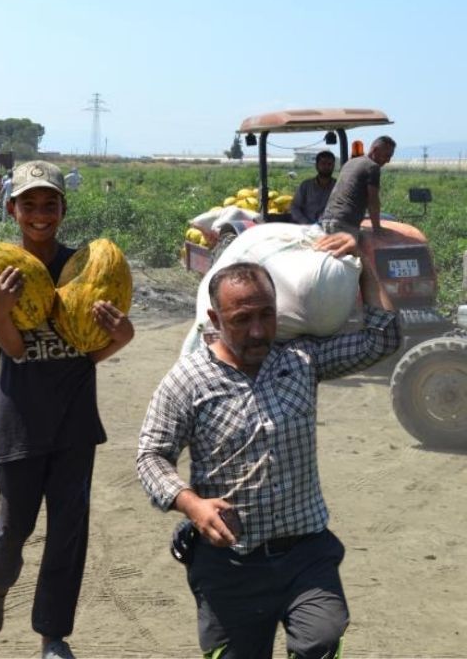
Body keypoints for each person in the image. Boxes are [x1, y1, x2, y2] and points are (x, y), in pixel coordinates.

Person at [136, 246, 398, 659]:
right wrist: (192, 506)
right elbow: (151, 456)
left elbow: (383, 338)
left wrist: (363, 263)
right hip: (230, 562)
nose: (258, 331)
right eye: (242, 320)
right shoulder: (188, 380)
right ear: (215, 320)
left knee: (321, 640)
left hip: (306, 553)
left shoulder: (300, 360)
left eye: (266, 315)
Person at [0, 161, 135, 659]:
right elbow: (16, 351)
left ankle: (52, 636)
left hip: (76, 424)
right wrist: (0, 311)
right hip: (19, 424)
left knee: (68, 532)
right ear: (11, 209)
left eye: (50, 204)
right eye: (29, 205)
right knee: (13, 529)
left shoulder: (85, 266)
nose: (40, 215)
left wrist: (120, 341)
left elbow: (89, 351)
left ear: (63, 209)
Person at [318, 135, 396, 236]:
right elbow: (373, 201)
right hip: (345, 223)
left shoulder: (350, 162)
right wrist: (377, 229)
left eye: (390, 157)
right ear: (375, 150)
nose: (388, 160)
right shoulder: (372, 167)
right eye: (386, 155)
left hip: (327, 219)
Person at [290, 150, 337, 225]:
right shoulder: (305, 186)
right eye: (323, 163)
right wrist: (305, 222)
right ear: (316, 165)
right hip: (307, 227)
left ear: (333, 166)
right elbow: (295, 207)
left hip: (330, 227)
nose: (326, 167)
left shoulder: (339, 187)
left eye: (329, 164)